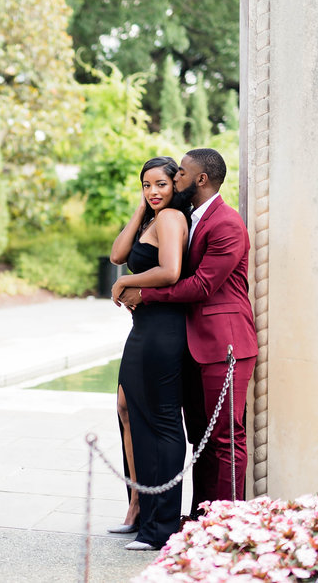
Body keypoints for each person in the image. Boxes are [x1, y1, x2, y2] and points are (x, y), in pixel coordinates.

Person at [115, 148, 258, 517]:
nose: (175, 178)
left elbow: (203, 285)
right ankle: (199, 516)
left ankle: (225, 522)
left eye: (180, 174)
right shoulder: (189, 219)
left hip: (225, 342)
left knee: (226, 436)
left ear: (201, 179)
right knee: (202, 438)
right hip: (193, 344)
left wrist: (144, 293)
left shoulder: (227, 222)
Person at [106, 156, 189, 551]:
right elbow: (116, 255)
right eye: (146, 185)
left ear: (176, 185)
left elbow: (171, 271)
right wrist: (141, 208)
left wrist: (125, 284)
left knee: (162, 421)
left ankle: (162, 527)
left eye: (160, 184)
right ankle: (138, 506)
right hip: (144, 328)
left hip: (163, 329)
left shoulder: (172, 219)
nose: (154, 191)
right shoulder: (153, 219)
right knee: (126, 408)